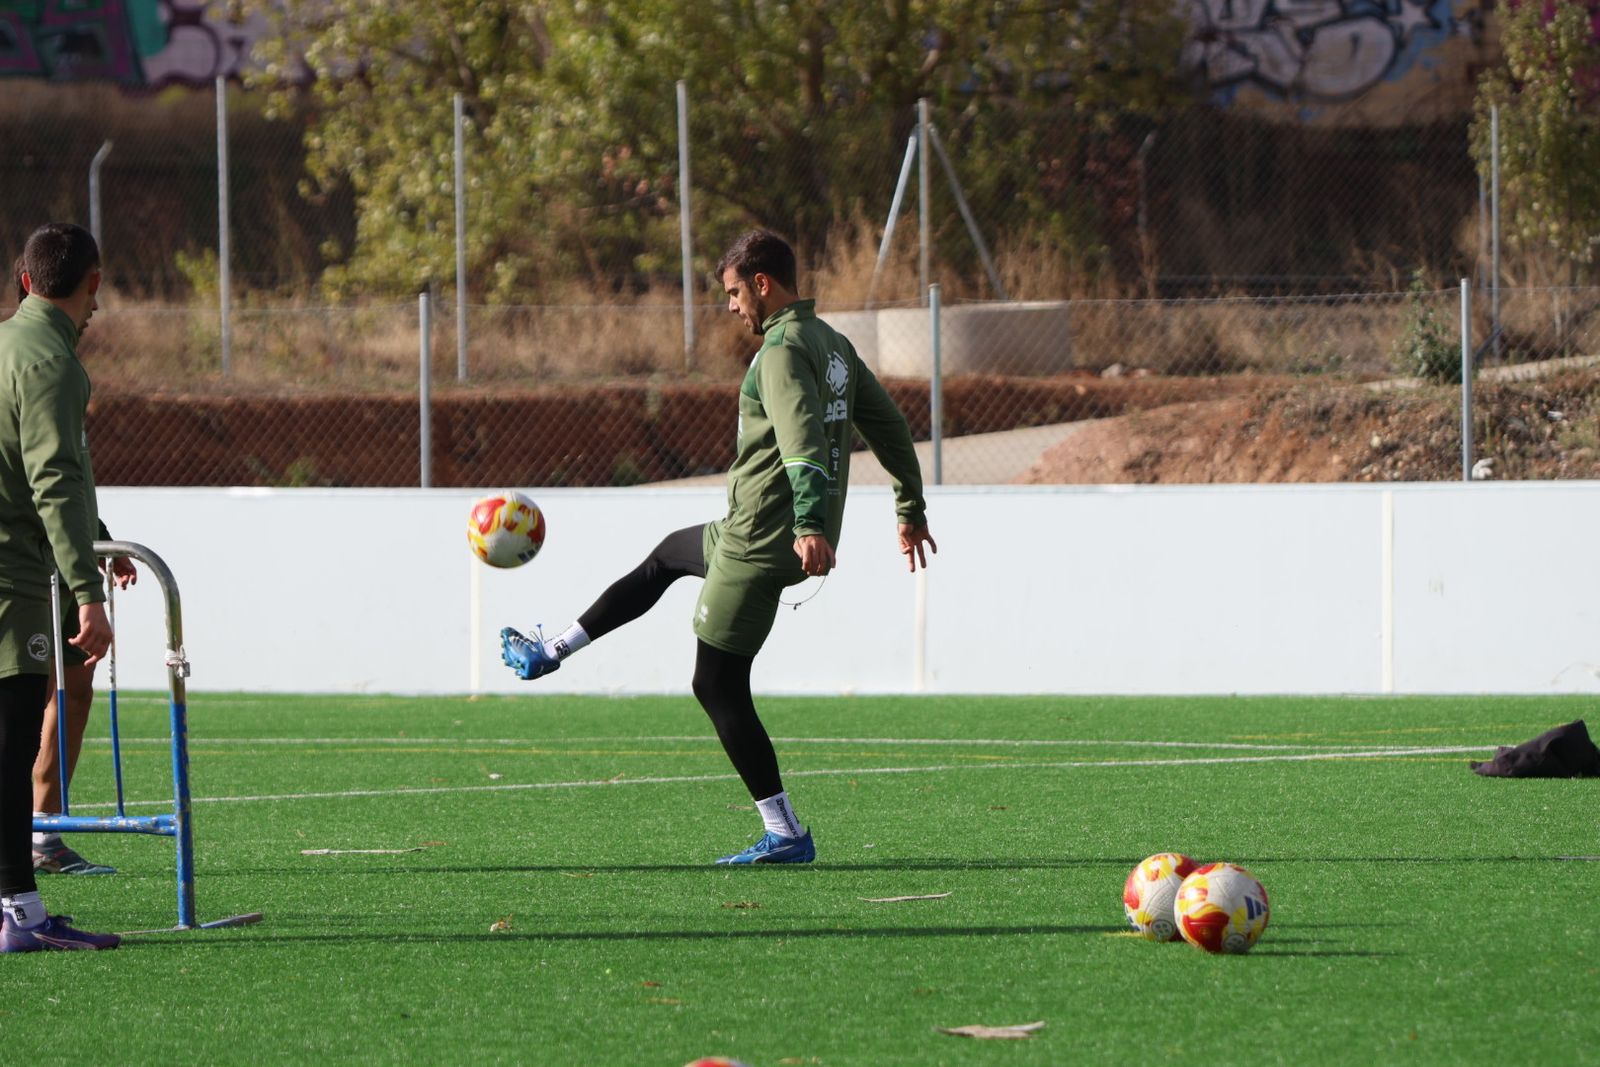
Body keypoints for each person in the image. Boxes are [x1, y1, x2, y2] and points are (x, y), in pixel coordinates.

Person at [500, 229, 936, 865]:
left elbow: (804, 444)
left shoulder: (784, 350)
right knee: (667, 557)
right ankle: (554, 649)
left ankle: (784, 832)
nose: (731, 307)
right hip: (751, 531)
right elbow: (891, 427)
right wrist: (909, 508)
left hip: (761, 539)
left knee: (716, 685)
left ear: (762, 284)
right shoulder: (832, 345)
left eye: (735, 293)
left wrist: (810, 523)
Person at [0, 222, 120, 950]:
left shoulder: (10, 344)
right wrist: (88, 589)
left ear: (22, 279)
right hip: (14, 576)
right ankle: (20, 911)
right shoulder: (52, 362)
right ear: (93, 284)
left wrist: (98, 534)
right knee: (13, 748)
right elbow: (53, 479)